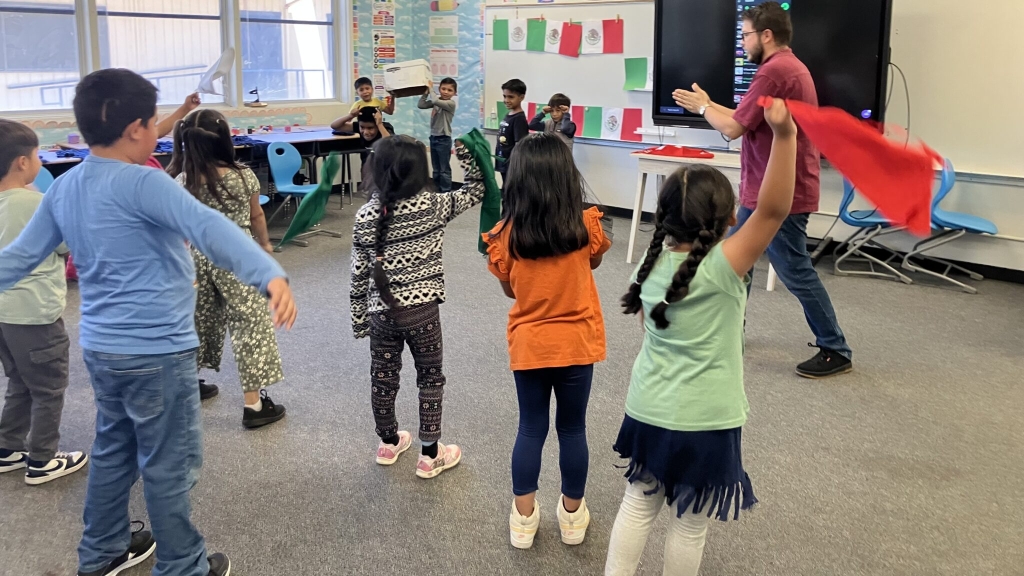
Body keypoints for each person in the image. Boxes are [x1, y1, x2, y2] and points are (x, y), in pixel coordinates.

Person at [0, 68, 297, 576]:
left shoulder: (66, 186)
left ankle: (102, 552)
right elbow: (209, 229)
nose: (159, 129)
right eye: (155, 120)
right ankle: (183, 565)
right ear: (137, 128)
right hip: (158, 353)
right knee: (170, 462)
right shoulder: (145, 182)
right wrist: (269, 273)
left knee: (114, 448)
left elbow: (18, 258)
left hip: (103, 351)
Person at [603, 98, 797, 576]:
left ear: (664, 217)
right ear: (730, 218)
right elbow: (773, 210)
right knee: (690, 524)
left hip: (648, 408)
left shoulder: (648, 271)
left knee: (637, 503)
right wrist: (786, 137)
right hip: (708, 418)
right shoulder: (727, 266)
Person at [671, 1, 853, 378]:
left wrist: (704, 109)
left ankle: (835, 348)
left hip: (780, 194)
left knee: (794, 270)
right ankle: (730, 332)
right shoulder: (785, 66)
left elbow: (732, 129)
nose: (743, 43)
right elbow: (744, 118)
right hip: (767, 190)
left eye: (746, 36)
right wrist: (707, 104)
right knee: (739, 266)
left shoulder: (775, 72)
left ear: (765, 35)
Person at [483, 133, 612, 550]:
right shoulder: (586, 226)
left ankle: (523, 520)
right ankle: (572, 518)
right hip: (577, 344)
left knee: (531, 427)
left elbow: (509, 290)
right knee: (573, 429)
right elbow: (593, 261)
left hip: (531, 346)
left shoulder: (503, 236)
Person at [349, 135, 485, 479]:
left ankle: (389, 442)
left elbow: (358, 276)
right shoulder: (433, 206)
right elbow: (477, 190)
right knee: (430, 377)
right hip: (423, 312)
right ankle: (429, 454)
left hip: (382, 313)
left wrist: (360, 322)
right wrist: (465, 154)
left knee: (383, 377)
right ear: (419, 172)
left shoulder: (365, 216)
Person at [167, 109, 287, 429]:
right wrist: (264, 247)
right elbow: (257, 216)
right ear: (224, 142)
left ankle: (187, 384)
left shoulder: (182, 181)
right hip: (239, 259)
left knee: (195, 323)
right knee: (250, 327)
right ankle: (254, 405)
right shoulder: (243, 174)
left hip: (196, 259)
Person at [0, 119, 87, 485]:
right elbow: (67, 246)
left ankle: (7, 448)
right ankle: (42, 459)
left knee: (20, 380)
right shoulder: (38, 202)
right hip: (35, 314)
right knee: (49, 387)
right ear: (23, 162)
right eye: (36, 154)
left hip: (4, 317)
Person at [417, 77, 458, 192]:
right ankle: (436, 190)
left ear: (454, 93)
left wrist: (430, 88)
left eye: (449, 90)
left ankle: (446, 192)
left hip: (444, 139)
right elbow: (421, 105)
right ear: (439, 89)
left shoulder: (450, 103)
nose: (445, 92)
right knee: (436, 168)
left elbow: (435, 101)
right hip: (434, 137)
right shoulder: (437, 101)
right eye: (443, 89)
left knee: (444, 169)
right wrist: (425, 93)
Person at [495, 78, 530, 198]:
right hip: (503, 162)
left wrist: (515, 166)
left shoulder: (519, 119)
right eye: (504, 96)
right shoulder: (509, 115)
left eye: (511, 97)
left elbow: (520, 146)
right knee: (505, 192)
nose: (506, 100)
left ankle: (509, 216)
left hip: (511, 165)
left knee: (511, 194)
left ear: (521, 97)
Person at [330, 76, 395, 131]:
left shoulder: (377, 101)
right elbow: (348, 121)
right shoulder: (357, 105)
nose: (365, 92)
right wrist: (351, 115)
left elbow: (390, 112)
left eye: (367, 88)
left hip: (377, 128)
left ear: (372, 89)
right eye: (361, 90)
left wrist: (393, 97)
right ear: (357, 93)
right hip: (363, 129)